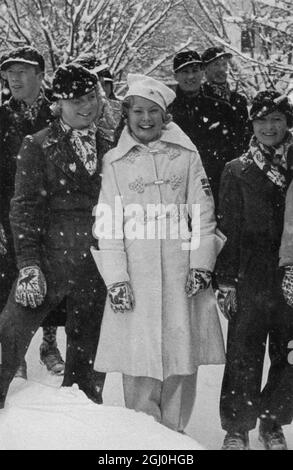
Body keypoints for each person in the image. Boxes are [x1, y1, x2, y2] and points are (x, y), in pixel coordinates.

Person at [91, 73, 226, 432]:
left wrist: (201, 265)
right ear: (127, 113)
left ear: (166, 116)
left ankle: (176, 437)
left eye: (154, 111)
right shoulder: (115, 163)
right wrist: (117, 279)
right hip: (136, 277)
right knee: (139, 361)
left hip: (184, 277)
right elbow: (108, 226)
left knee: (182, 357)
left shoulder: (185, 156)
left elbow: (204, 216)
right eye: (138, 111)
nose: (146, 119)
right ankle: (144, 439)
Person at [0, 63, 107, 408]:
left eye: (90, 97)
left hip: (98, 268)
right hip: (48, 263)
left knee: (87, 367)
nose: (86, 106)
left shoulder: (113, 146)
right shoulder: (38, 144)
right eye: (75, 100)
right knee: (9, 338)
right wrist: (29, 265)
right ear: (58, 103)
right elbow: (24, 208)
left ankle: (82, 428)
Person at [216, 90, 293, 450]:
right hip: (251, 272)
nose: (268, 127)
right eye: (261, 120)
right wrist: (226, 280)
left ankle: (271, 421)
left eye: (275, 119)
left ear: (287, 121)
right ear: (251, 123)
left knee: (287, 351)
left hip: (290, 273)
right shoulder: (237, 169)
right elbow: (227, 229)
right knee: (243, 354)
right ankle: (237, 426)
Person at [0, 46, 65, 377]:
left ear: (40, 76)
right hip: (8, 214)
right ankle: (14, 357)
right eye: (10, 72)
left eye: (22, 71)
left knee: (50, 280)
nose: (14, 77)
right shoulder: (1, 117)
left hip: (51, 213)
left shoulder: (58, 116)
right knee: (9, 282)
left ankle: (49, 343)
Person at [200, 46, 250, 208]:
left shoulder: (239, 100)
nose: (221, 69)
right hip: (212, 174)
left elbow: (246, 135)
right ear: (205, 70)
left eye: (224, 65)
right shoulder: (200, 100)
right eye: (216, 65)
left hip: (239, 172)